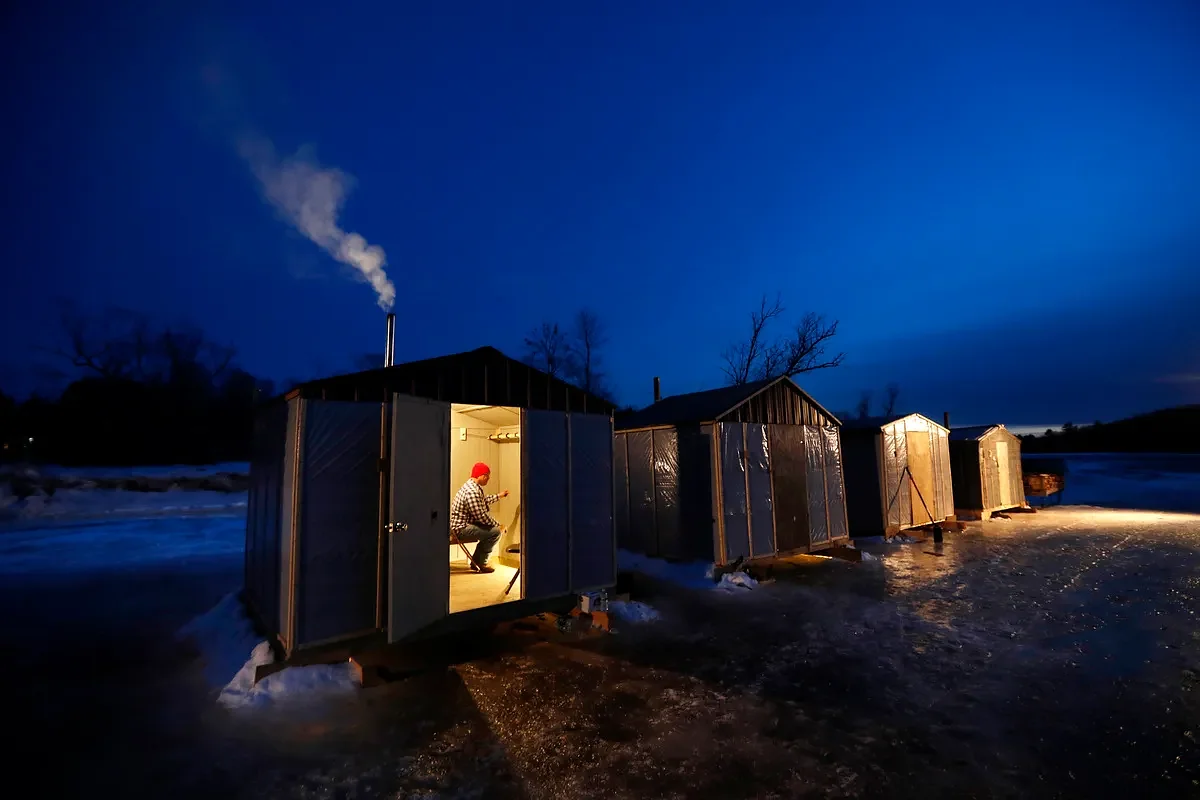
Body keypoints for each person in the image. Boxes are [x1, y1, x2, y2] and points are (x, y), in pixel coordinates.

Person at [449, 462, 509, 573]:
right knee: (495, 532)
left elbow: (482, 501)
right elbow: (481, 516)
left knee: (491, 529)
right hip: (460, 529)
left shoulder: (472, 486)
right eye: (487, 476)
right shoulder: (472, 491)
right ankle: (480, 563)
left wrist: (499, 496)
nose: (488, 479)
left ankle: (477, 561)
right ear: (481, 475)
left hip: (462, 525)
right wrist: (499, 525)